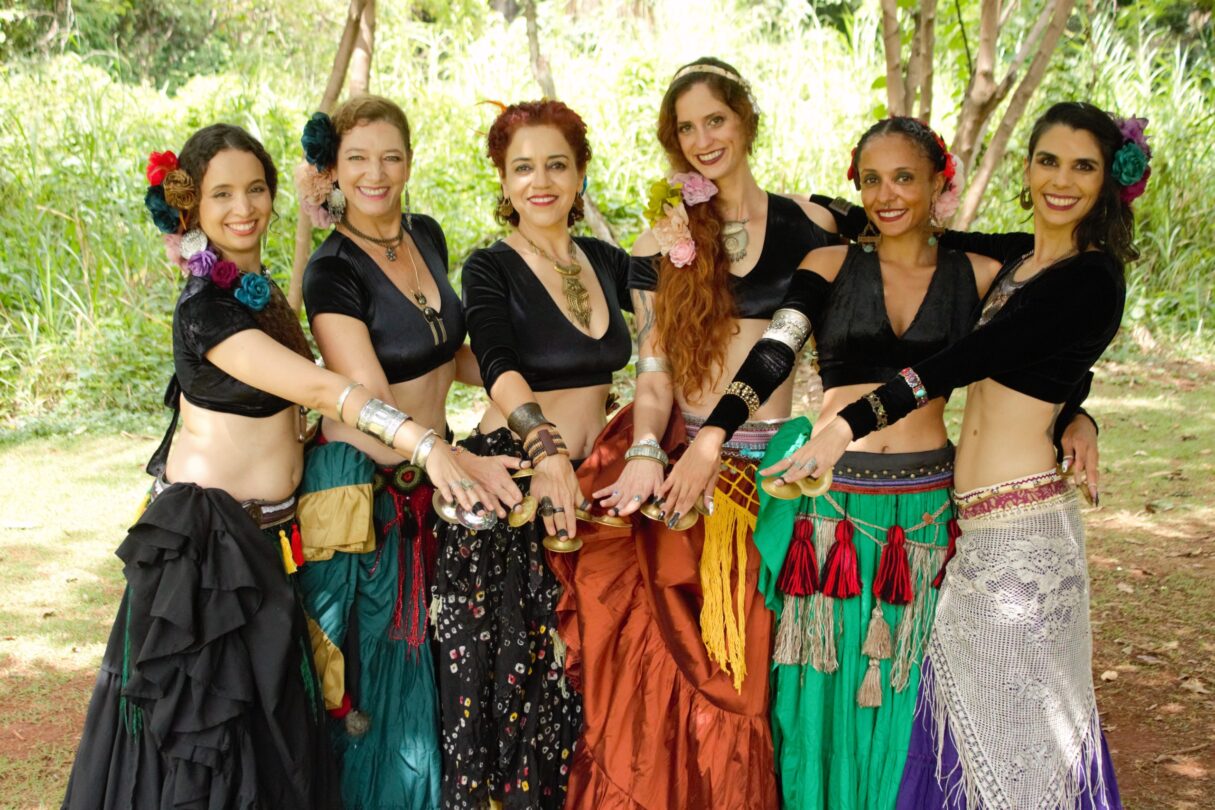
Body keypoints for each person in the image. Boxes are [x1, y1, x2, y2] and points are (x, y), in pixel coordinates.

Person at [63, 124, 494, 809]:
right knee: (211, 754)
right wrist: (425, 444)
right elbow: (323, 389)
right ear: (191, 208)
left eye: (256, 189)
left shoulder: (254, 290)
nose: (244, 208)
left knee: (274, 745)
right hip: (210, 552)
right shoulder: (207, 309)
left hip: (268, 539)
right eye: (222, 194)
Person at [772, 101, 1140, 810]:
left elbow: (967, 360)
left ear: (1107, 182)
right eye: (1047, 161)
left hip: (1025, 529)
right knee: (967, 718)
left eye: (1083, 166)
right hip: (973, 523)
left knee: (1020, 728)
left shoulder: (1091, 277)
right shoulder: (1021, 257)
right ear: (1026, 168)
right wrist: (1078, 411)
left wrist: (846, 425)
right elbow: (914, 229)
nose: (1060, 181)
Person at [550, 58, 844, 809]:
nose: (704, 139)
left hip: (768, 474)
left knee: (753, 676)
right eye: (686, 128)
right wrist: (646, 449)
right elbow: (653, 375)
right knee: (673, 667)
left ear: (746, 120)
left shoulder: (811, 225)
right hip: (681, 467)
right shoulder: (659, 242)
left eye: (716, 119)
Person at [292, 95, 524, 809]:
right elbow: (368, 399)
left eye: (390, 156)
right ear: (333, 170)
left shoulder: (425, 234)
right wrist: (451, 457)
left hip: (433, 473)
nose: (376, 173)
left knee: (438, 668)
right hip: (368, 487)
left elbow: (442, 353)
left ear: (410, 162)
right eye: (357, 159)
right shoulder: (332, 271)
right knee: (378, 678)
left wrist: (534, 373)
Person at [432, 99, 633, 810]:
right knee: (507, 695)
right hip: (512, 483)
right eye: (522, 168)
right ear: (503, 180)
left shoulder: (606, 261)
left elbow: (695, 301)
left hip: (587, 488)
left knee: (572, 695)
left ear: (580, 175)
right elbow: (495, 363)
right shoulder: (491, 266)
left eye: (555, 165)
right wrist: (546, 451)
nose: (540, 182)